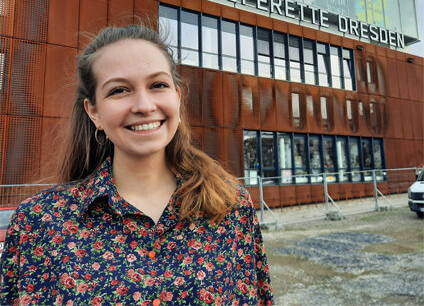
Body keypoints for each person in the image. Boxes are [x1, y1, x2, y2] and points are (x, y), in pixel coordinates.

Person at [0, 24, 273, 305]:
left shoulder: (231, 205)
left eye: (158, 85)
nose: (144, 105)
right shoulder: (38, 222)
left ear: (177, 98)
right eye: (119, 90)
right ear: (94, 112)